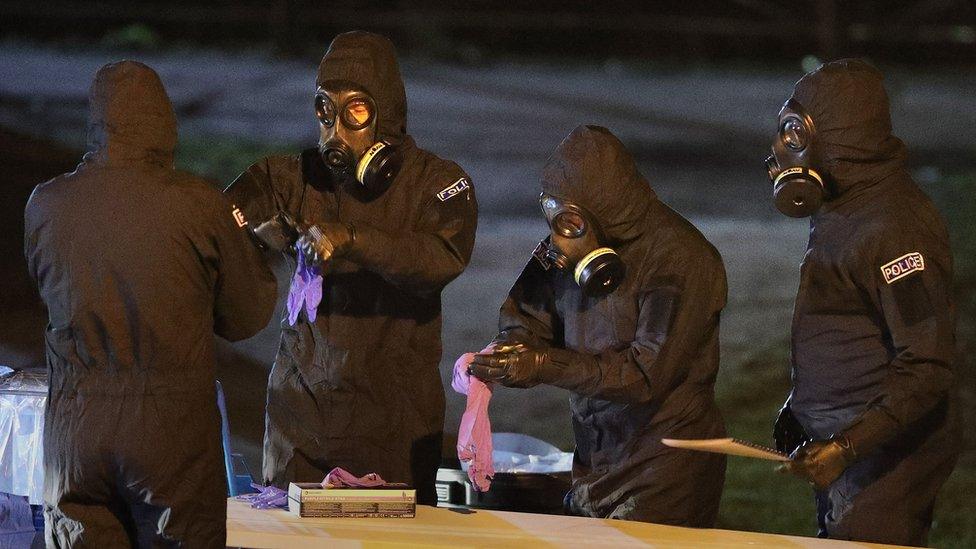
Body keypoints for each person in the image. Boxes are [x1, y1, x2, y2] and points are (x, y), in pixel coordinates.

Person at [24, 60, 277, 547]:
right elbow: (245, 318)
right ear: (164, 124)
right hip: (170, 435)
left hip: (75, 435)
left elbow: (52, 293)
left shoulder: (45, 205)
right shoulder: (200, 204)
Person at [224, 31, 477, 505]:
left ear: (388, 116)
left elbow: (440, 256)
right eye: (325, 111)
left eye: (355, 112)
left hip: (394, 424)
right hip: (300, 421)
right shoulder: (292, 178)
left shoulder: (439, 183)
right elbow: (216, 224)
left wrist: (354, 241)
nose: (336, 130)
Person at [466, 125, 727, 526]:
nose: (558, 241)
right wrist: (510, 350)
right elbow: (525, 316)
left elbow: (644, 374)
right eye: (554, 221)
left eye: (569, 225)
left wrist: (543, 365)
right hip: (594, 463)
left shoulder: (682, 260)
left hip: (666, 472)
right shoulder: (569, 243)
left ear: (605, 216)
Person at [768, 59, 958, 546]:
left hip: (886, 459)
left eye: (794, 134)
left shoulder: (895, 229)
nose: (778, 150)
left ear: (838, 142)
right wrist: (804, 407)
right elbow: (843, 322)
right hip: (846, 445)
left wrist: (848, 446)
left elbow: (928, 365)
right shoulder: (845, 201)